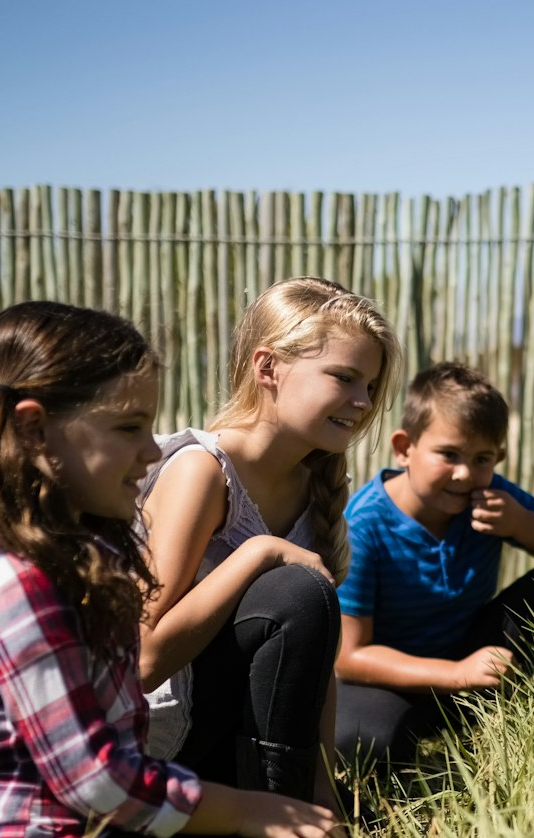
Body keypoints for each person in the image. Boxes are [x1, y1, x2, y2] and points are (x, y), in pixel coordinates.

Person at [0, 301, 346, 838]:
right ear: (35, 432)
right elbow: (97, 780)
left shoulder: (93, 547)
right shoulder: (10, 580)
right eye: (129, 428)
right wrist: (254, 810)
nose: (151, 450)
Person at [137, 277, 400, 806]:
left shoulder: (315, 489)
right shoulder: (203, 473)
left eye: (370, 386)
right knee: (295, 590)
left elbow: (316, 666)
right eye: (344, 377)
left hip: (244, 742)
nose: (363, 401)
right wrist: (260, 553)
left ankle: (293, 816)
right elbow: (142, 662)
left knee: (303, 595)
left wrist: (325, 796)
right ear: (268, 368)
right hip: (159, 744)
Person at [334, 361, 534, 766]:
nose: (464, 474)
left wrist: (519, 522)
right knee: (367, 739)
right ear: (405, 448)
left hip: (469, 666)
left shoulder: (490, 499)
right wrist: (455, 673)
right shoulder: (364, 524)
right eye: (449, 454)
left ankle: (501, 711)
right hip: (388, 682)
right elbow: (349, 658)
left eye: (482, 458)